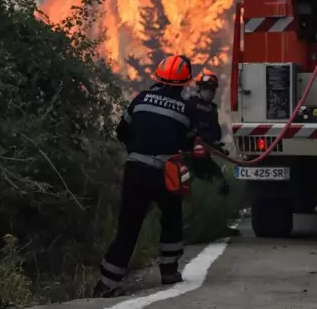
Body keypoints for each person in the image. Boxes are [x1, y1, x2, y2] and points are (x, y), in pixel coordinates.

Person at [93, 55, 198, 298]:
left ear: (159, 78)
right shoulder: (186, 110)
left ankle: (107, 283)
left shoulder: (140, 100)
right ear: (184, 83)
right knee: (171, 218)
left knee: (128, 227)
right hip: (165, 175)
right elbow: (189, 145)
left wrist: (137, 148)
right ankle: (169, 271)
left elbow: (122, 132)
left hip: (135, 171)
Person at [187, 73, 230, 195]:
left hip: (204, 155)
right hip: (187, 155)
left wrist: (216, 144)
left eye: (212, 89)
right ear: (199, 89)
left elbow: (215, 132)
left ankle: (219, 208)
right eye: (206, 88)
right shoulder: (189, 105)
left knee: (221, 182)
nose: (209, 92)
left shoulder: (212, 109)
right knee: (184, 184)